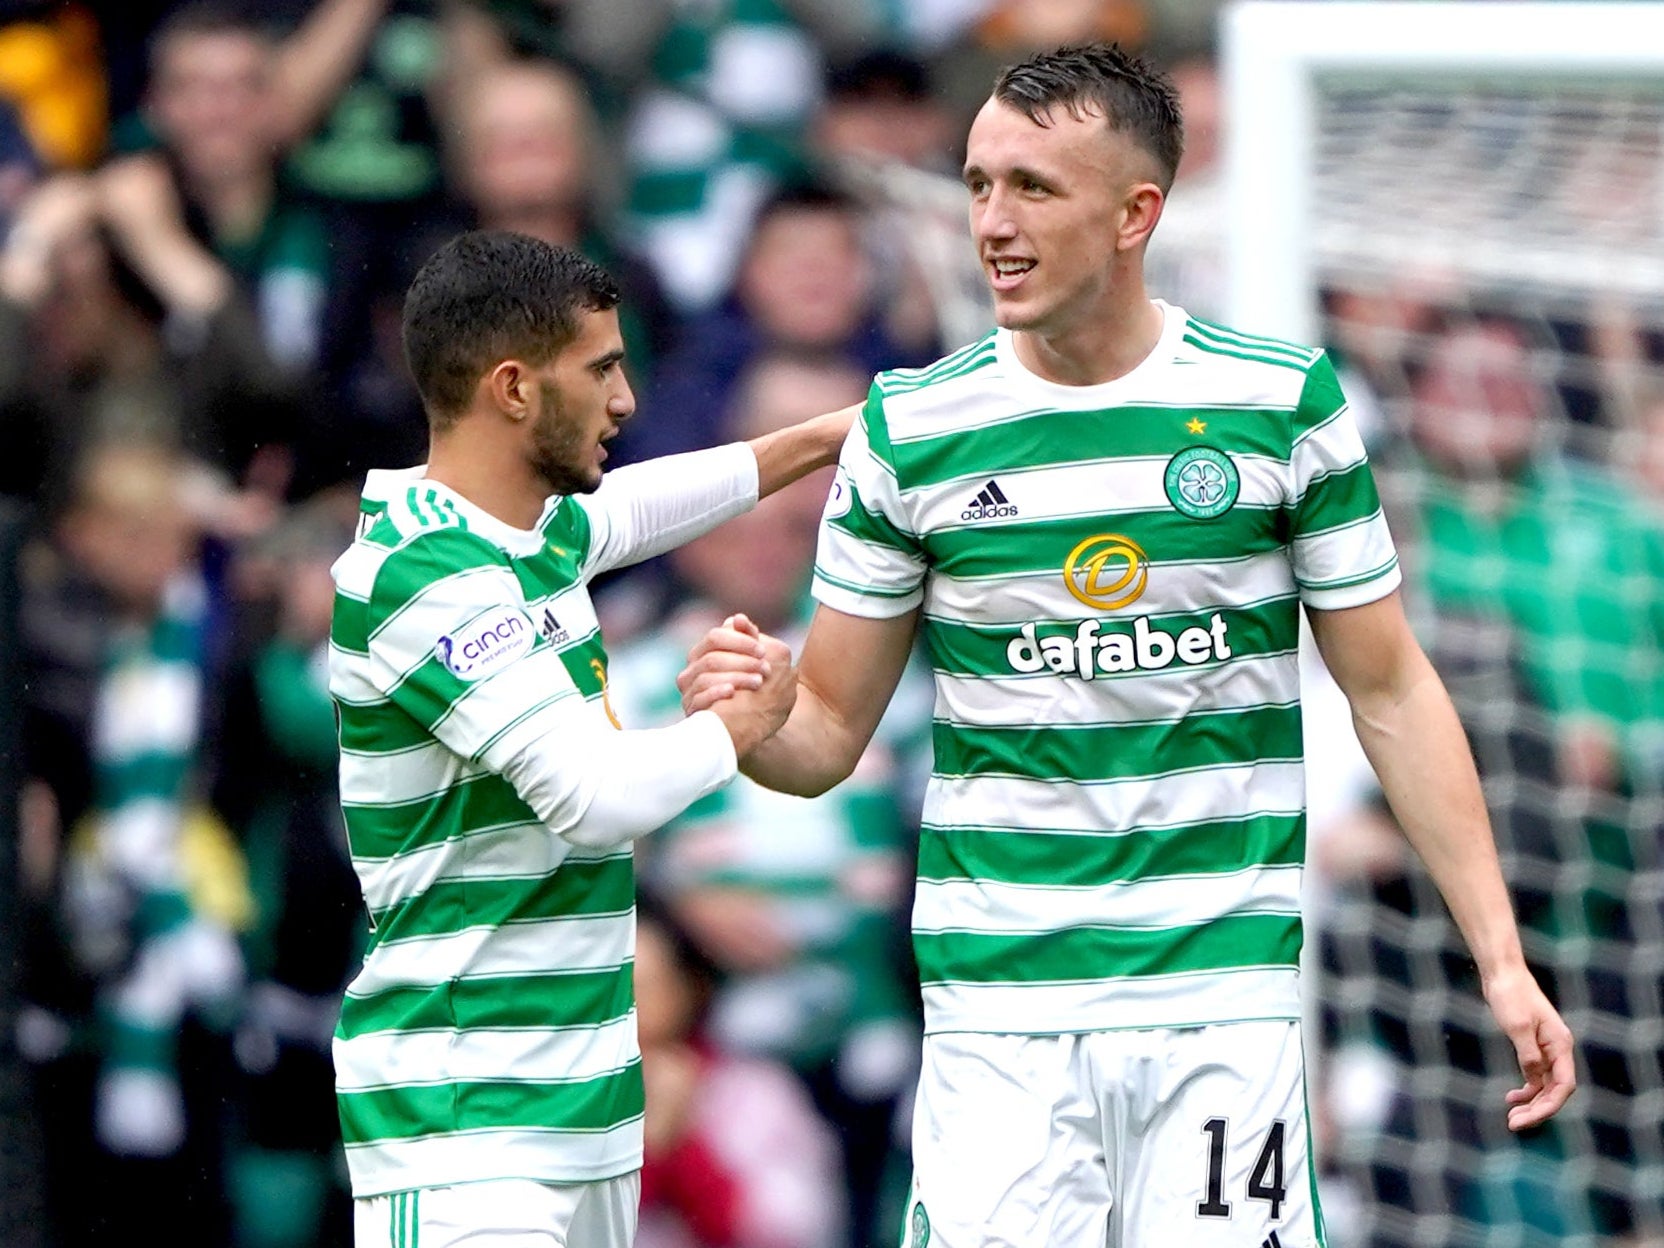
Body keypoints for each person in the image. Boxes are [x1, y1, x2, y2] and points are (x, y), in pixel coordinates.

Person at [678, 44, 1577, 1248]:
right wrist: (755, 717)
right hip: (1000, 1018)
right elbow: (825, 737)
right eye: (977, 183)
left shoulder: (1279, 405)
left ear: (1133, 214)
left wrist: (1499, 958)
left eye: (1032, 189)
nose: (990, 222)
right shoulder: (909, 432)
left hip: (1220, 1004)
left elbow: (1391, 693)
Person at [327, 228, 851, 1248]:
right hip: (464, 1124)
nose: (626, 400)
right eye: (602, 370)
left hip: (589, 1113)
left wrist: (830, 435)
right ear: (515, 389)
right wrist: (735, 724)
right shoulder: (422, 577)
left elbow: (644, 506)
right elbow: (591, 794)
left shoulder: (529, 536)